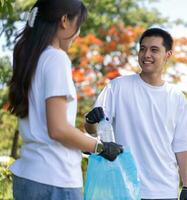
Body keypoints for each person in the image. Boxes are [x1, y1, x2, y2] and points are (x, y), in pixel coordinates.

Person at [8, 0, 123, 199]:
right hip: (55, 180)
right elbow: (58, 129)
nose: (78, 34)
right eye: (78, 25)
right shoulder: (55, 58)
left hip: (28, 177)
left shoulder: (31, 59)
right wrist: (100, 147)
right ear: (64, 21)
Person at [85, 28, 187, 200]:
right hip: (125, 189)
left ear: (168, 55)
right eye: (142, 49)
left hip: (165, 191)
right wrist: (90, 120)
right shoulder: (118, 87)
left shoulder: (177, 97)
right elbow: (93, 129)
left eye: (154, 50)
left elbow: (181, 147)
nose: (146, 54)